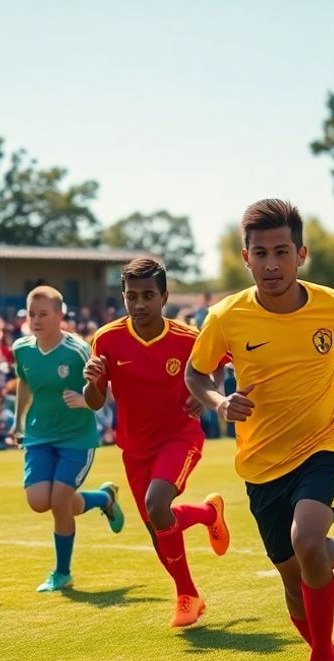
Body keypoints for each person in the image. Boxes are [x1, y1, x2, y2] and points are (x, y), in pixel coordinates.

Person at [185, 199, 334, 661]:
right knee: (296, 587)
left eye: (281, 252)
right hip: (261, 462)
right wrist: (218, 402)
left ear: (301, 254)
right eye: (260, 253)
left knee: (305, 539)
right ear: (245, 258)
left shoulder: (332, 304)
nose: (271, 264)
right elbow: (196, 374)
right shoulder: (226, 317)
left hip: (328, 440)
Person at [84, 257, 231, 627]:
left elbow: (219, 363)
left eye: (148, 295)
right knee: (156, 529)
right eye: (132, 296)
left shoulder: (188, 339)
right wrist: (91, 382)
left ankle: (186, 595)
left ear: (164, 296)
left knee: (157, 504)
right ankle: (207, 513)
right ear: (123, 297)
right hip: (134, 448)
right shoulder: (106, 339)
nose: (139, 304)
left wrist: (209, 392)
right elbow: (95, 401)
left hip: (180, 436)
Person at [8, 285, 125, 593]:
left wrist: (86, 401)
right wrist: (17, 421)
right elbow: (24, 382)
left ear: (59, 316)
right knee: (38, 502)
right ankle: (104, 498)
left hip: (76, 438)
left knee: (60, 501)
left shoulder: (79, 350)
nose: (35, 320)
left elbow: (104, 390)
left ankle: (62, 573)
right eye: (31, 314)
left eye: (43, 314)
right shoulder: (21, 348)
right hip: (38, 436)